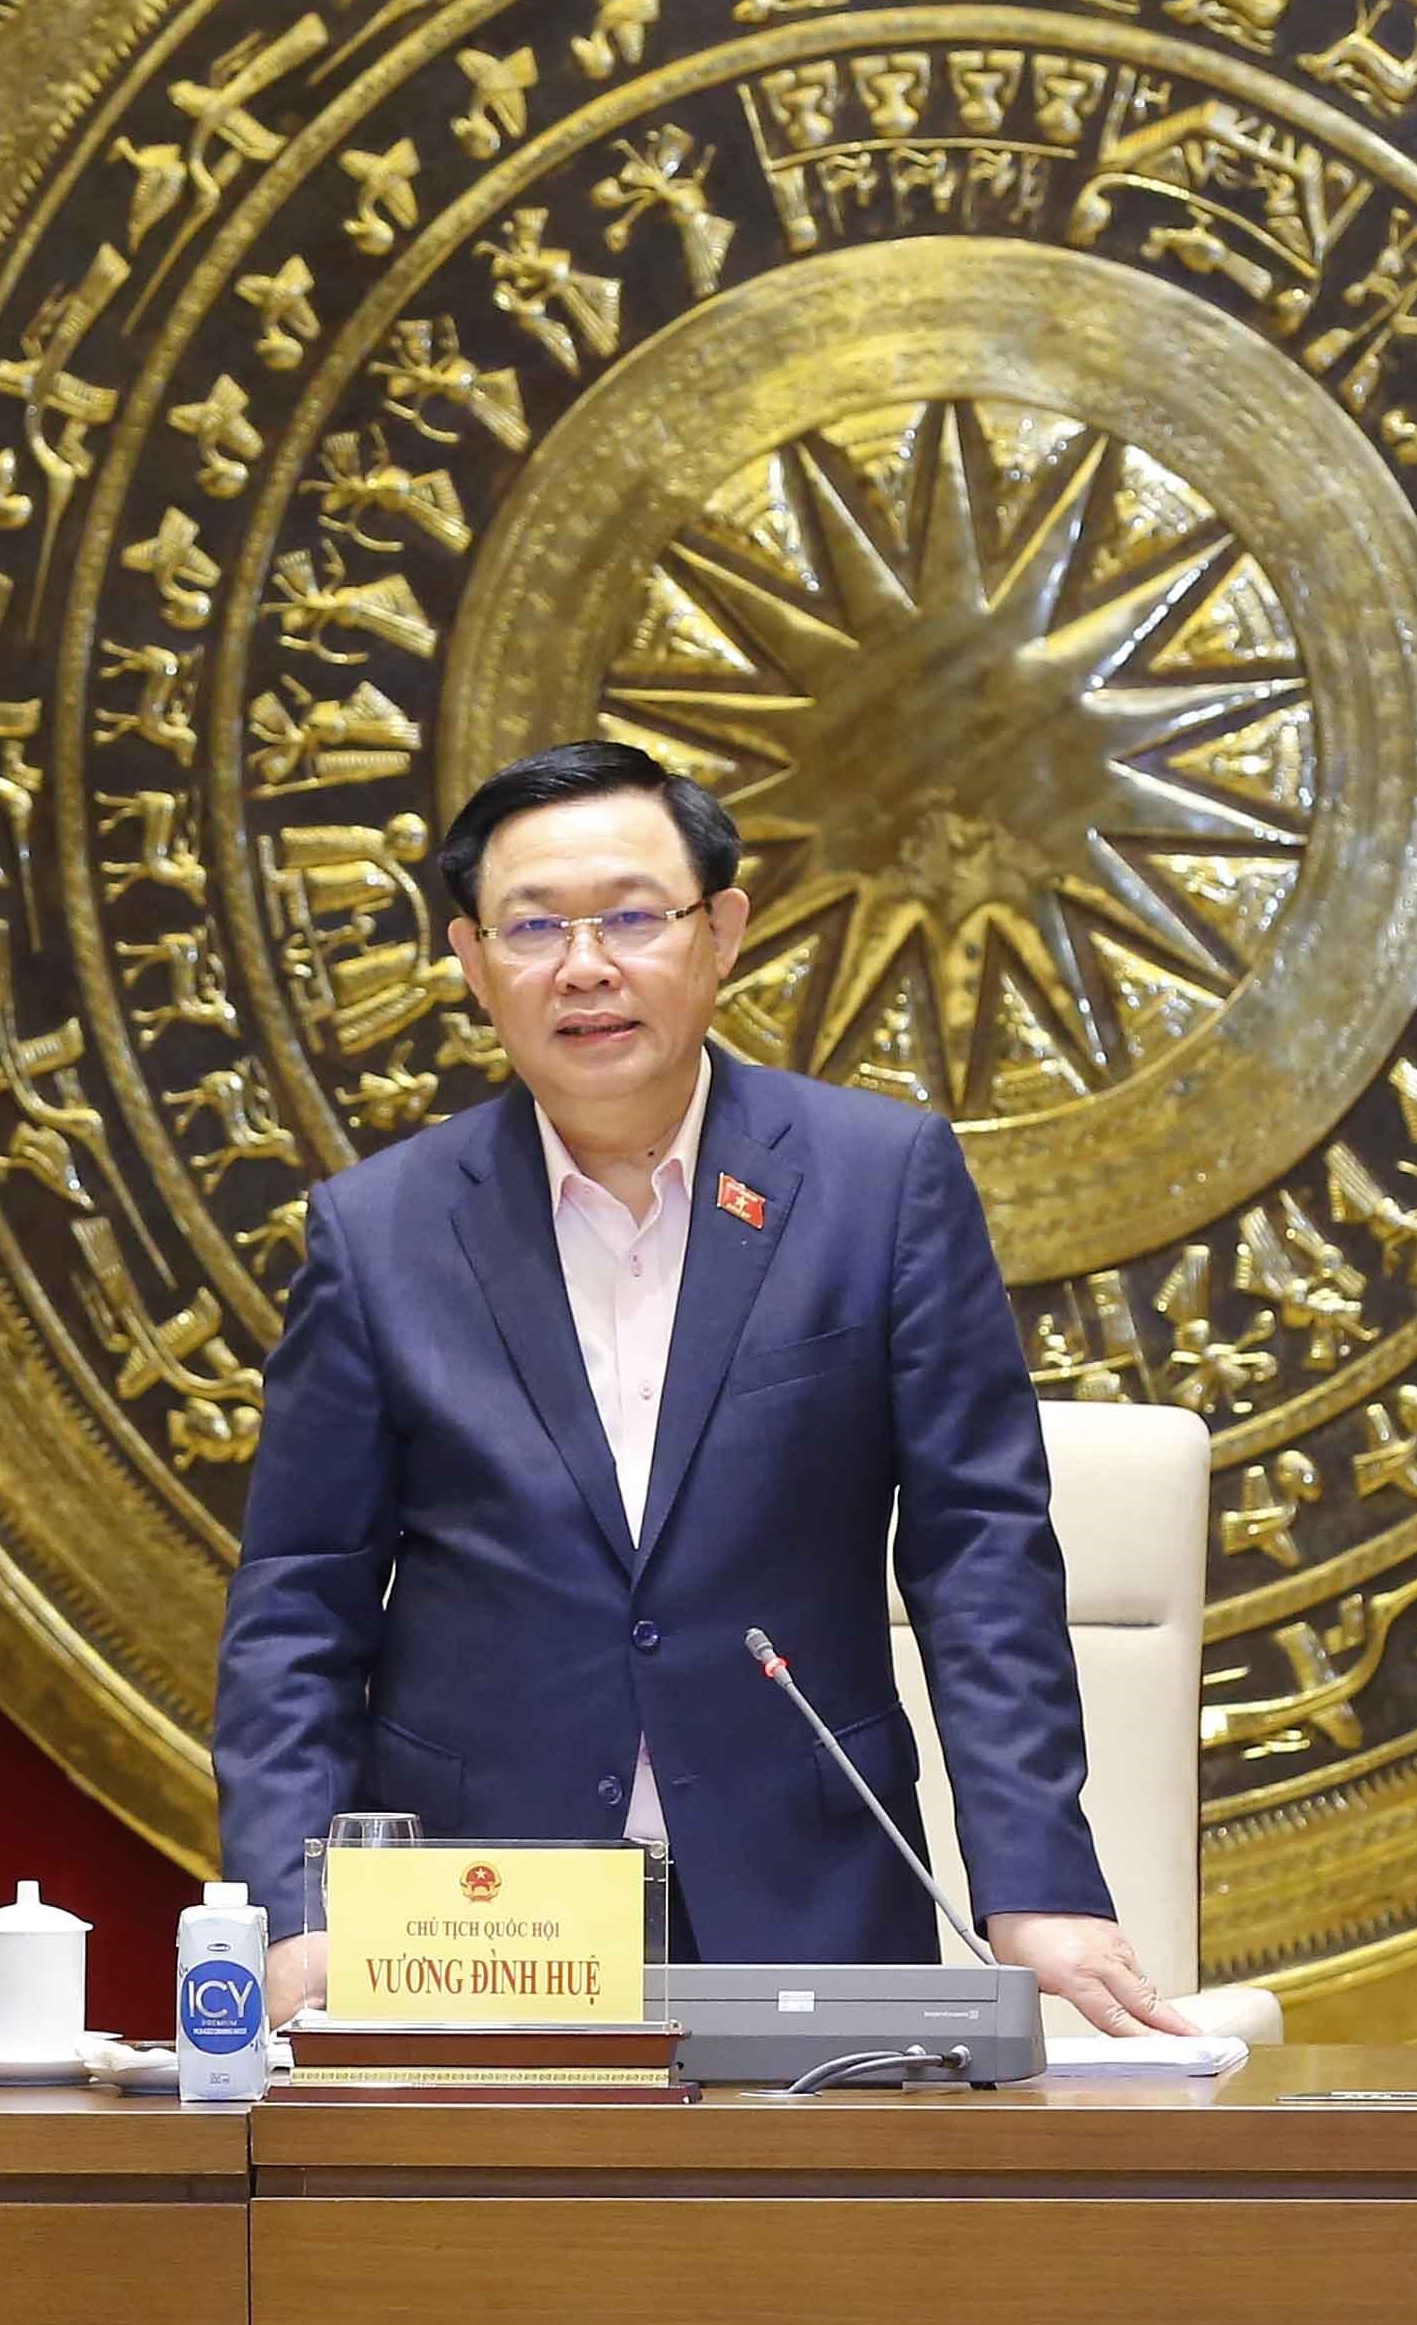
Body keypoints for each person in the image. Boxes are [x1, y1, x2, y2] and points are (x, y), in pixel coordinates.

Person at [215, 742, 1190, 2035]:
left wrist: (1036, 1882)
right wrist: (293, 1911)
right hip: (476, 1921)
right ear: (472, 961)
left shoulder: (881, 1184)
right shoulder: (377, 1231)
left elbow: (978, 1552)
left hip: (809, 1890)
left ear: (721, 933)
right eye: (533, 928)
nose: (585, 967)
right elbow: (299, 1604)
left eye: (632, 917)